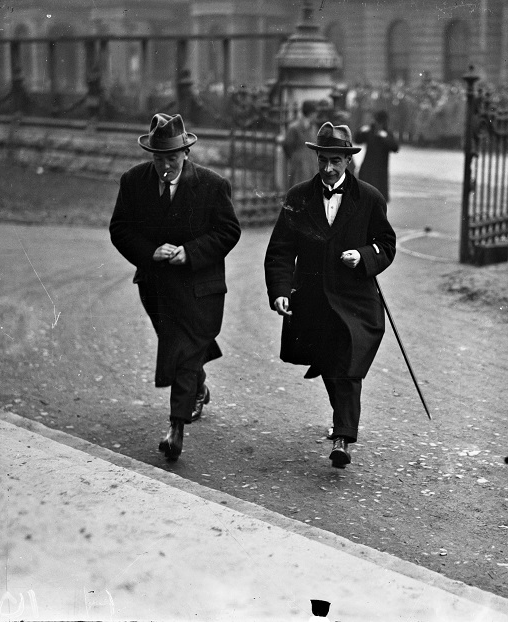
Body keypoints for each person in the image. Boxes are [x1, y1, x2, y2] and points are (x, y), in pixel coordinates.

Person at [263, 122, 396, 469]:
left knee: (349, 365)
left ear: (348, 160)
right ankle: (342, 423)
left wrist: (364, 256)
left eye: (335, 161)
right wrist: (279, 291)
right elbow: (279, 250)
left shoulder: (368, 198)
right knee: (328, 364)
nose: (328, 168)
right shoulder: (298, 197)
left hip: (355, 301)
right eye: (323, 160)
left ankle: (343, 437)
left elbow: (387, 244)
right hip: (313, 302)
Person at [109, 113, 241, 461]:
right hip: (157, 287)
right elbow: (120, 229)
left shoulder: (213, 185)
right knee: (182, 349)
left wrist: (191, 253)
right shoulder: (134, 182)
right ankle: (198, 388)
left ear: (186, 153)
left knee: (183, 352)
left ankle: (176, 428)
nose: (165, 166)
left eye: (171, 158)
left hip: (201, 288)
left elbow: (229, 231)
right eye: (158, 158)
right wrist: (149, 252)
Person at [354, 110, 400, 202]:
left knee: (377, 196)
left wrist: (384, 136)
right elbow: (357, 140)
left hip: (379, 170)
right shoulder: (369, 131)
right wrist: (361, 131)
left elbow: (395, 148)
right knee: (365, 194)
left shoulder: (386, 133)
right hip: (369, 168)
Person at [282, 100, 321, 188]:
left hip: (312, 163)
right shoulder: (295, 128)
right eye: (315, 112)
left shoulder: (313, 127)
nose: (316, 115)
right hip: (299, 165)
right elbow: (287, 145)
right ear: (311, 113)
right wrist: (296, 157)